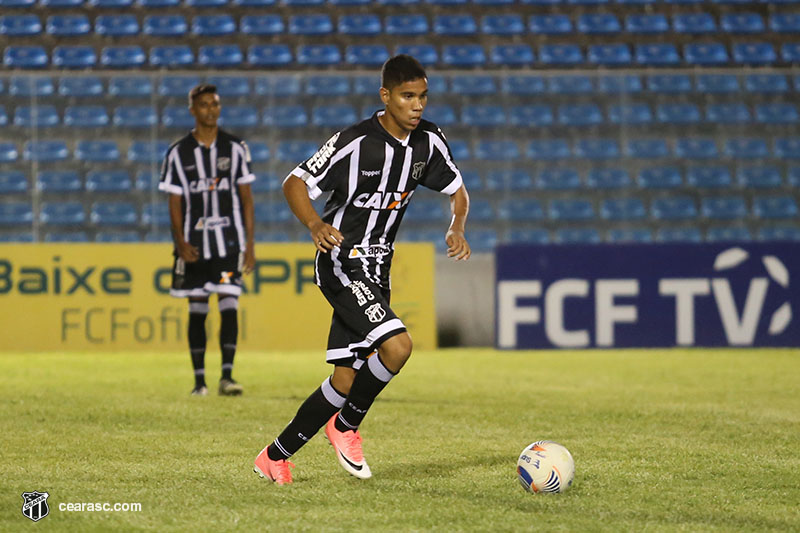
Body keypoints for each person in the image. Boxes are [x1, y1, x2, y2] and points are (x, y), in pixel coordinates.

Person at [253, 55, 471, 485]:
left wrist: (456, 226)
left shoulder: (429, 142)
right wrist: (315, 224)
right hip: (341, 262)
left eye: (423, 96)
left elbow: (457, 191)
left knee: (345, 378)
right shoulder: (354, 143)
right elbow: (294, 182)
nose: (417, 105)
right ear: (385, 96)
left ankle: (274, 457)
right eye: (407, 96)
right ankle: (347, 426)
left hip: (378, 269)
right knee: (398, 347)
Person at [158, 83, 256, 397]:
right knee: (197, 308)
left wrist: (249, 245)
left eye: (214, 104)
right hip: (195, 244)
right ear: (193, 110)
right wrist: (180, 242)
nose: (210, 110)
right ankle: (199, 381)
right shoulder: (178, 152)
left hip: (228, 243)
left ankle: (227, 376)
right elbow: (174, 202)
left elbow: (246, 199)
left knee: (229, 303)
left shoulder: (236, 148)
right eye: (203, 105)